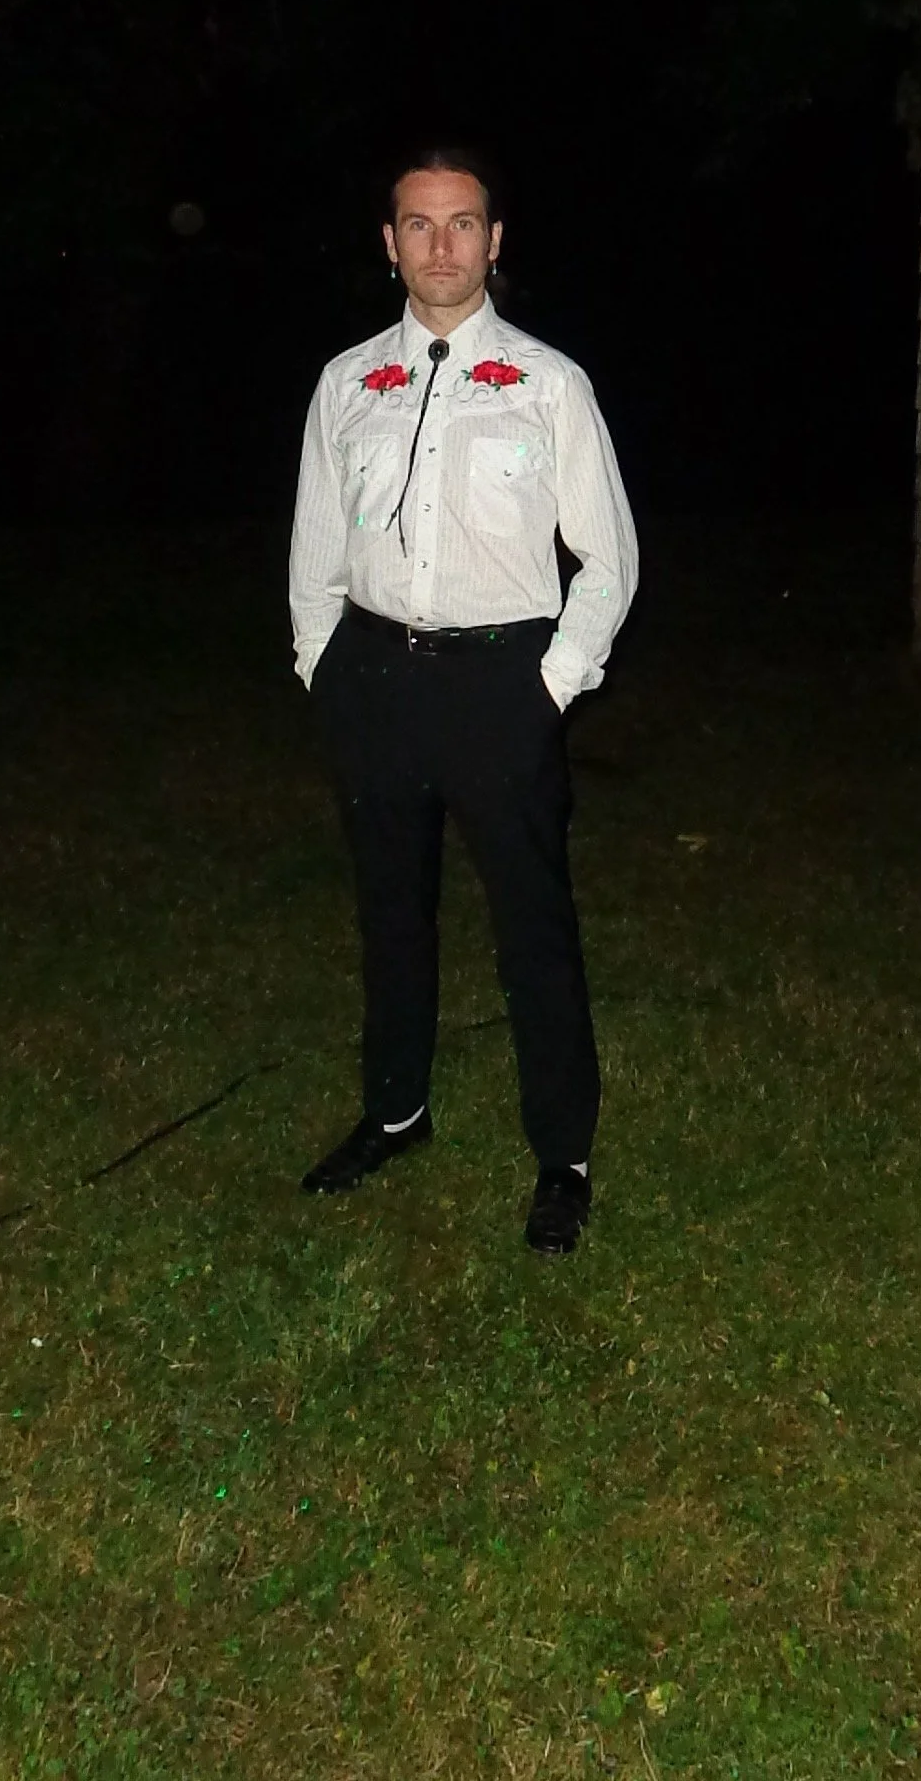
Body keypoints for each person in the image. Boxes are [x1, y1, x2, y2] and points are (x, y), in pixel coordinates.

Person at [288, 150, 638, 1254]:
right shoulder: (346, 384)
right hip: (375, 681)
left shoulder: (549, 385)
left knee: (532, 928)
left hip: (503, 683)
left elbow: (609, 560)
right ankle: (396, 1110)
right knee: (391, 912)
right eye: (419, 225)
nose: (442, 245)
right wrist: (322, 665)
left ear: (496, 241)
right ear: (388, 243)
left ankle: (562, 1158)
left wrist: (549, 682)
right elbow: (313, 545)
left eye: (464, 224)